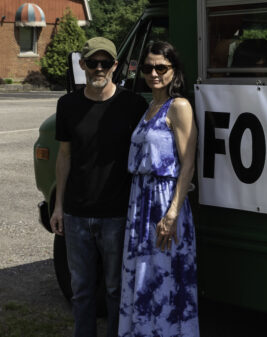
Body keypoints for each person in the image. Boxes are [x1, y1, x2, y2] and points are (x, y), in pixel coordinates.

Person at [50, 37, 148, 337]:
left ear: (116, 66)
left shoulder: (132, 104)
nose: (99, 68)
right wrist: (58, 207)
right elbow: (64, 157)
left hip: (117, 215)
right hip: (77, 215)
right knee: (81, 291)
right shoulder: (67, 105)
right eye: (93, 62)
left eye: (106, 63)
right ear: (83, 65)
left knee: (116, 289)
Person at [118, 41, 199, 337]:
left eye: (161, 67)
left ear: (173, 71)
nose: (154, 73)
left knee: (165, 277)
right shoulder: (149, 106)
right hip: (140, 200)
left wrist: (172, 213)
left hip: (165, 200)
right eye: (149, 67)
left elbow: (188, 163)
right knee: (142, 275)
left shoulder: (179, 106)